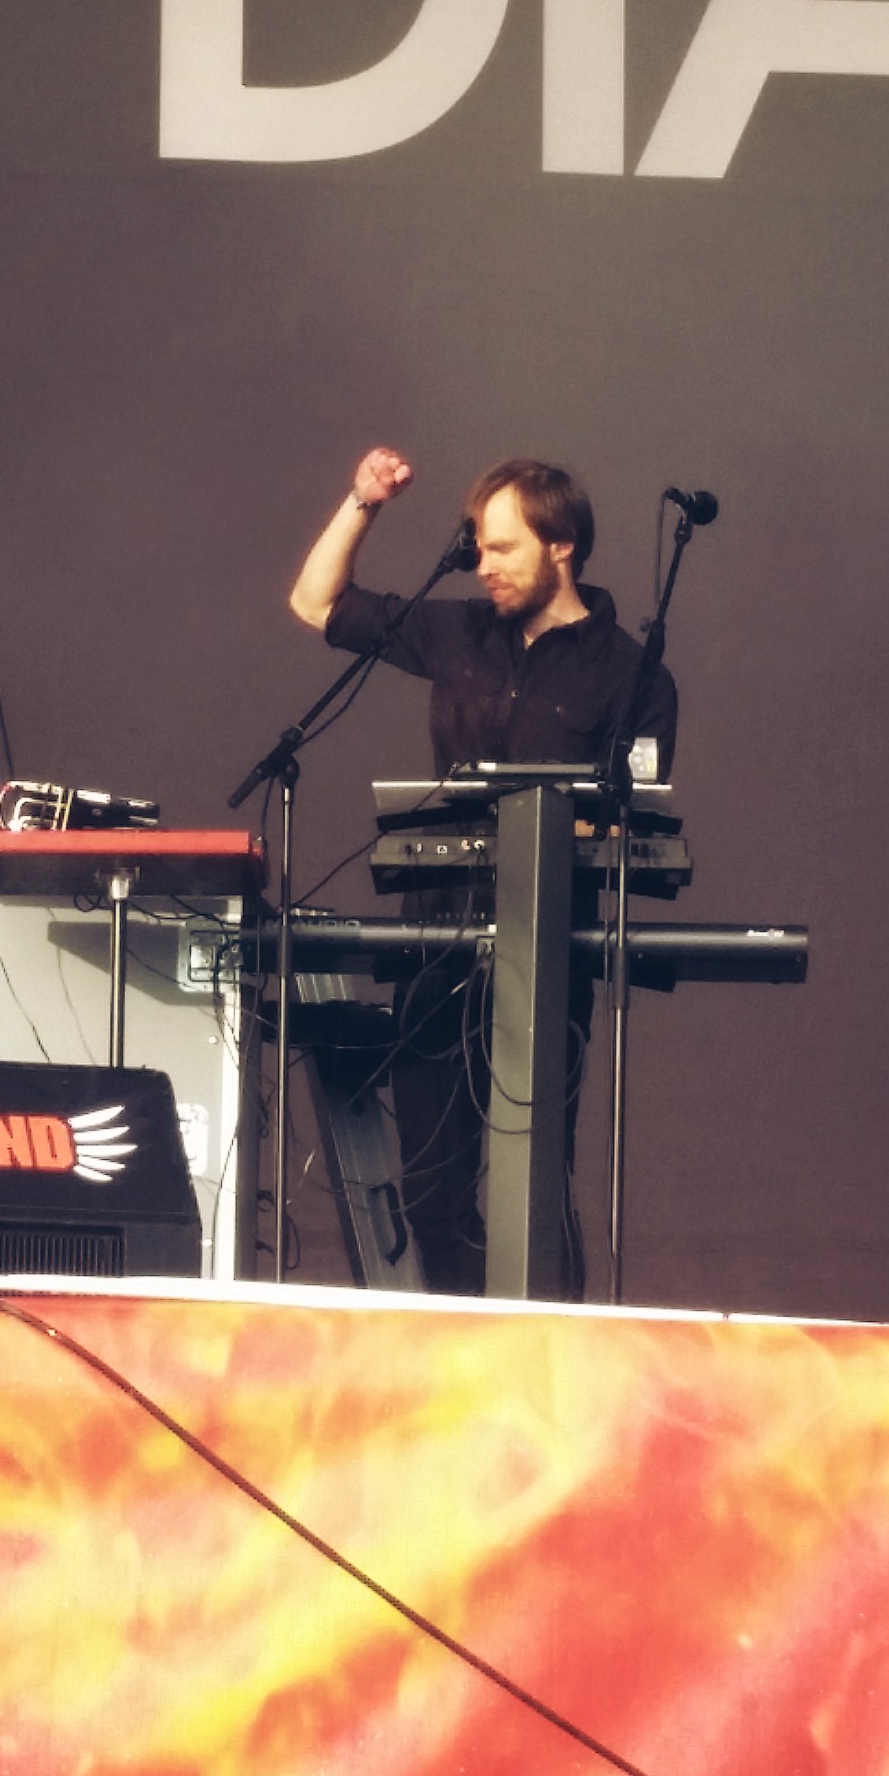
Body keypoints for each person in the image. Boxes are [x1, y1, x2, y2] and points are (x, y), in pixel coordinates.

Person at [289, 448, 678, 1294]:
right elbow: (314, 602)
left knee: (534, 1187)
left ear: (561, 545)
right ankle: (462, 1344)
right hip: (435, 944)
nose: (483, 565)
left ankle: (547, 1348)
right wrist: (362, 502)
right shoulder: (457, 631)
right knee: (432, 1190)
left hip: (546, 953)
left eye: (502, 548)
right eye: (477, 546)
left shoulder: (632, 676)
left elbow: (632, 822)